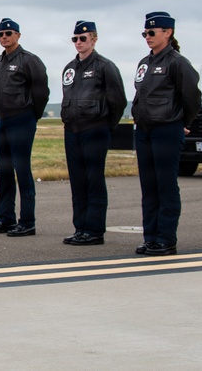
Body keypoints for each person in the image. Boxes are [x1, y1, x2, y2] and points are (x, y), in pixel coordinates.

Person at [132, 12, 201, 256]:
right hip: (145, 130)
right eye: (145, 33)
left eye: (152, 33)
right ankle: (150, 236)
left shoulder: (177, 62)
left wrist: (184, 122)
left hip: (167, 129)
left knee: (165, 185)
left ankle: (166, 238)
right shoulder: (145, 62)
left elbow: (192, 97)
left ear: (168, 33)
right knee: (149, 186)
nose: (147, 37)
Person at [60, 21, 126, 246]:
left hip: (95, 130)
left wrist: (107, 126)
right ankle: (81, 227)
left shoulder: (105, 66)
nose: (78, 43)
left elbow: (118, 100)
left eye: (83, 39)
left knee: (93, 181)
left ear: (94, 40)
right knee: (78, 182)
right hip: (73, 131)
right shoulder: (70, 68)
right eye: (75, 39)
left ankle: (95, 230)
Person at [0, 18, 49, 237]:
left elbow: (41, 93)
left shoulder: (29, 60)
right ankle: (6, 218)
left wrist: (31, 116)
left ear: (18, 36)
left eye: (9, 33)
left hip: (21, 119)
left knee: (22, 170)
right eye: (1, 34)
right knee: (4, 171)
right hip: (1, 119)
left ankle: (27, 221)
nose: (4, 37)